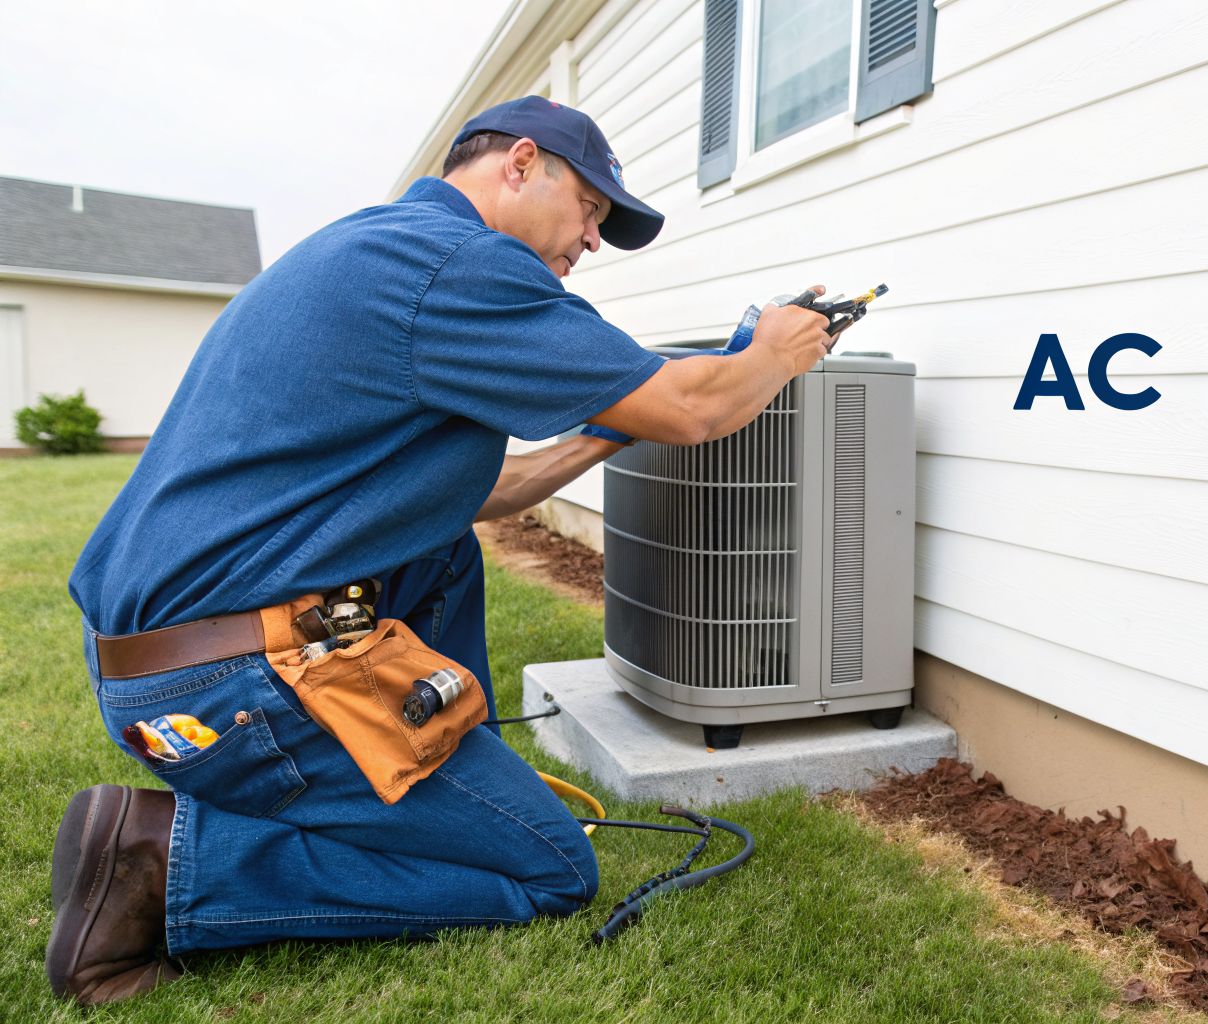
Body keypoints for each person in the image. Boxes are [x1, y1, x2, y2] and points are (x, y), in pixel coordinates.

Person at [47, 95, 833, 1005]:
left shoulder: (376, 249)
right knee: (550, 869)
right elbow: (697, 407)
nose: (590, 241)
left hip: (157, 671)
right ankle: (164, 859)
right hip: (232, 686)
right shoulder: (458, 264)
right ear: (522, 163)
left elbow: (489, 491)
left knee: (444, 544)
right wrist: (776, 350)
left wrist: (616, 425)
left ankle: (434, 764)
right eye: (590, 209)